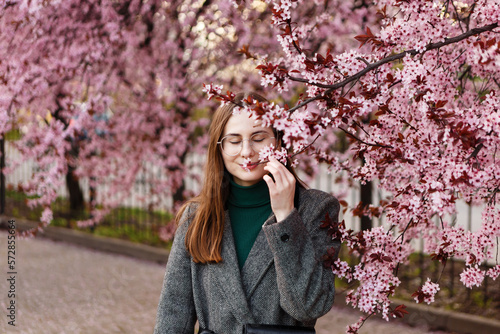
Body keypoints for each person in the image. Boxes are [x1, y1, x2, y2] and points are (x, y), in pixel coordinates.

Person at [154, 92, 340, 334]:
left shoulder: (316, 210)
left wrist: (286, 217)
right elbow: (173, 313)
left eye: (258, 138)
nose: (246, 151)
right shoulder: (196, 216)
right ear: (219, 148)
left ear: (278, 142)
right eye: (233, 140)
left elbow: (308, 307)